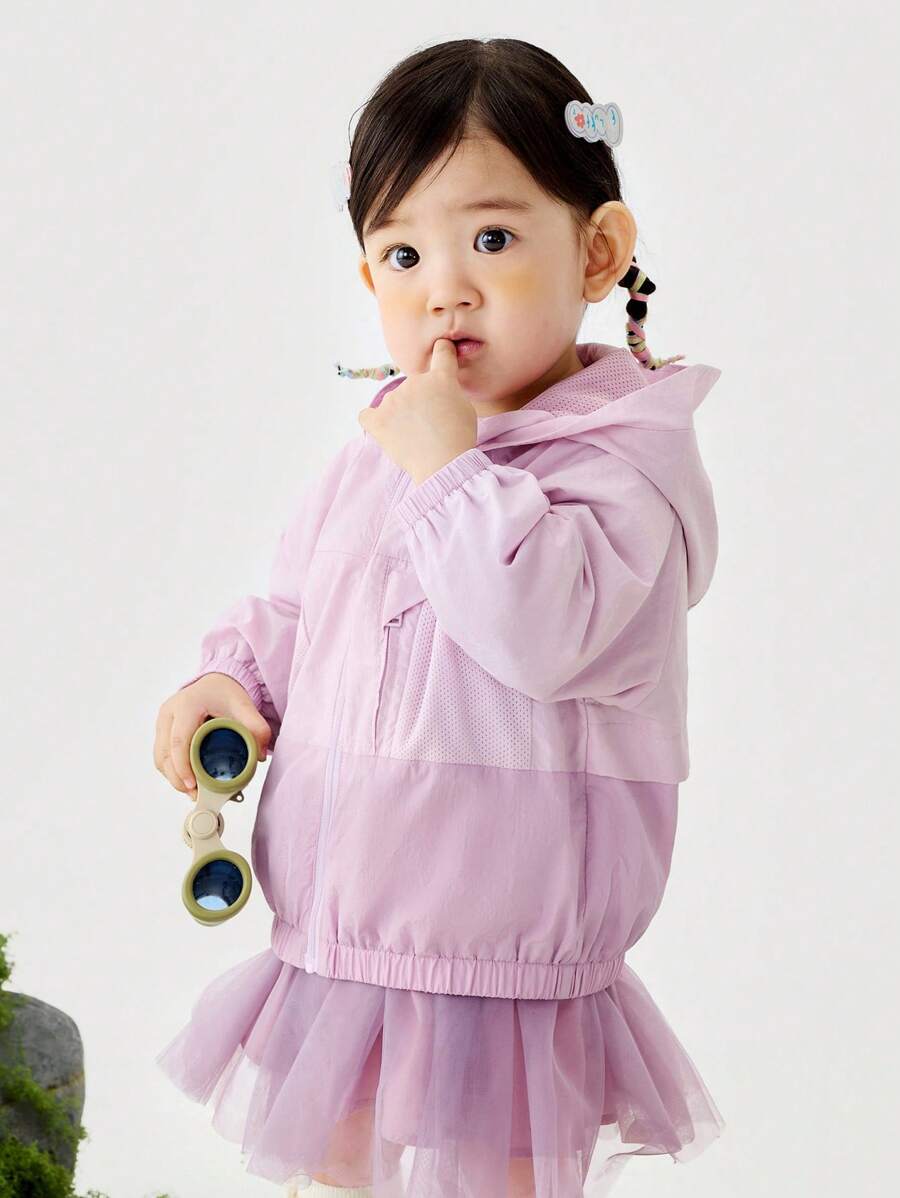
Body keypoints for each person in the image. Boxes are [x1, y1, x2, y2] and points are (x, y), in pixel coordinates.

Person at [153, 36, 726, 1198]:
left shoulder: (622, 469)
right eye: (404, 252)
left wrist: (450, 470)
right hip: (344, 933)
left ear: (599, 251)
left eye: (494, 240)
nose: (445, 287)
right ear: (370, 281)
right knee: (337, 1172)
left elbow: (543, 632)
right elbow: (303, 601)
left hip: (505, 960)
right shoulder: (390, 445)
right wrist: (233, 681)